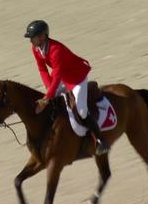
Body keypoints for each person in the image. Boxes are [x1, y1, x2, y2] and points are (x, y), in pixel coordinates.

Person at [25, 20, 109, 155]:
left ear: (42, 36)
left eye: (32, 37)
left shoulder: (55, 50)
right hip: (63, 77)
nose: (30, 40)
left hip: (76, 78)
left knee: (81, 110)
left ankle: (100, 141)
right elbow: (42, 69)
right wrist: (48, 88)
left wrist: (47, 98)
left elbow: (56, 76)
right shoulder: (36, 49)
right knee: (52, 101)